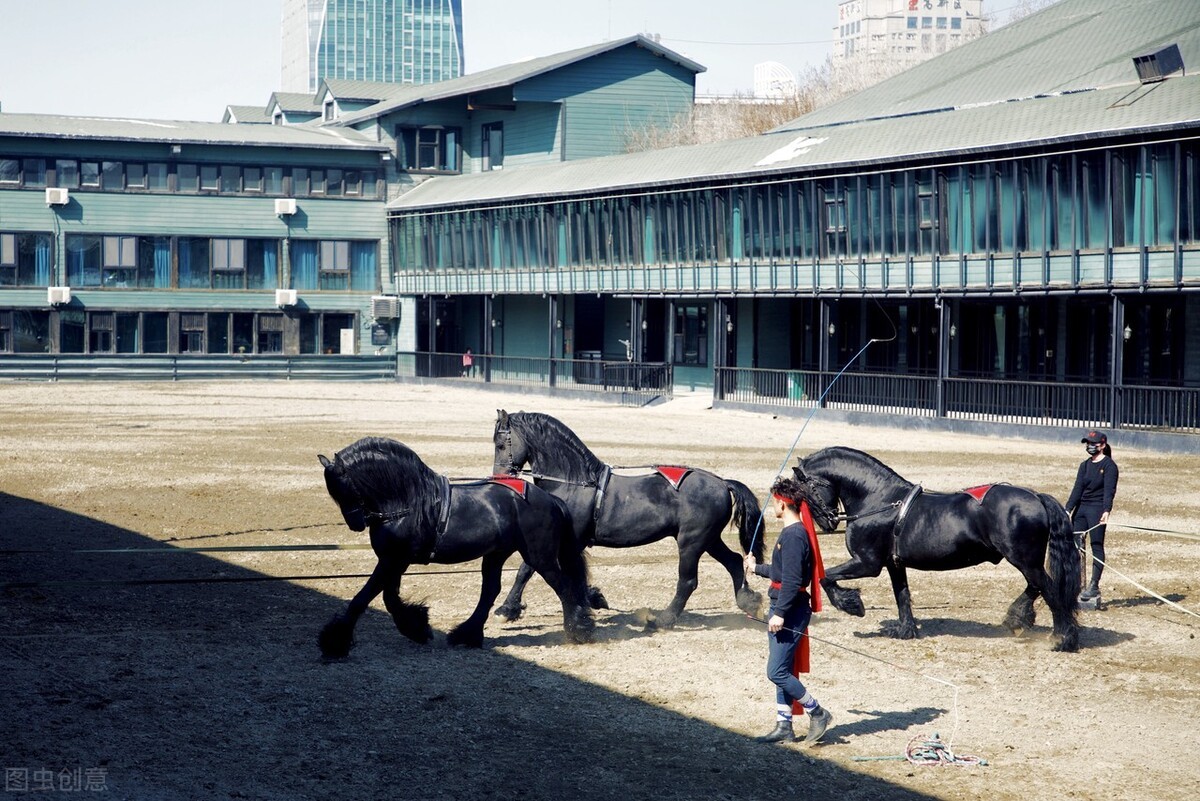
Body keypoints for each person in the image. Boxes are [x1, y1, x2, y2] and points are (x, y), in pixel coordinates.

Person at [743, 477, 833, 746]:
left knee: (776, 672)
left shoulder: (794, 535)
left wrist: (779, 613)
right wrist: (756, 567)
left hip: (789, 611)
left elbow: (793, 582)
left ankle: (818, 712)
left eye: (774, 502)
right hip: (785, 607)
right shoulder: (793, 534)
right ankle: (784, 726)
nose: (773, 507)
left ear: (782, 504)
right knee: (783, 668)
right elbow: (782, 573)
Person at [1065, 429, 1119, 606]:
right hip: (1081, 510)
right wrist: (1068, 509)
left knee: (1096, 546)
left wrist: (1106, 511)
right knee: (1076, 546)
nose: (1090, 446)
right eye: (1087, 443)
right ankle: (1076, 585)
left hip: (1096, 510)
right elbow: (1077, 489)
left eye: (1093, 443)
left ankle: (1094, 585)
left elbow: (1109, 491)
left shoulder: (1110, 466)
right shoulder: (1084, 465)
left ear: (1102, 445)